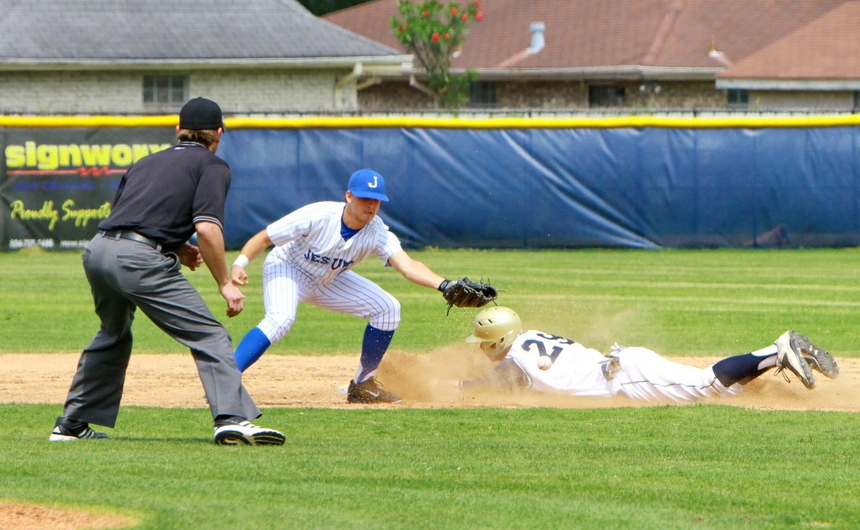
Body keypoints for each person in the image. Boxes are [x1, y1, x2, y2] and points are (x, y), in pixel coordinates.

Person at [50, 97, 285, 446]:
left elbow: (130, 218)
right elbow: (207, 229)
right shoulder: (213, 165)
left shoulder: (146, 162)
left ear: (178, 130)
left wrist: (176, 248)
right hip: (138, 261)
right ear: (218, 133)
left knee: (112, 334)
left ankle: (70, 426)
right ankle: (230, 419)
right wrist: (224, 282)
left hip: (99, 251)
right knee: (210, 335)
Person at [230, 168, 473, 404]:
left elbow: (407, 265)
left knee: (387, 308)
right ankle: (226, 379)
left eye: (376, 200)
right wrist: (240, 263)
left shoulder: (378, 232)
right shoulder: (318, 214)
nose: (371, 205)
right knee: (280, 318)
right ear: (349, 196)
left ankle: (362, 385)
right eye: (365, 198)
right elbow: (264, 237)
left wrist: (443, 284)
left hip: (328, 278)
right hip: (287, 268)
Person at [455, 306, 839, 401]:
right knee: (724, 393)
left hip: (627, 377)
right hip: (625, 366)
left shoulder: (515, 362)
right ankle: (775, 357)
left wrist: (452, 386)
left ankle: (776, 349)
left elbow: (493, 385)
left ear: (496, 342)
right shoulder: (529, 336)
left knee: (706, 384)